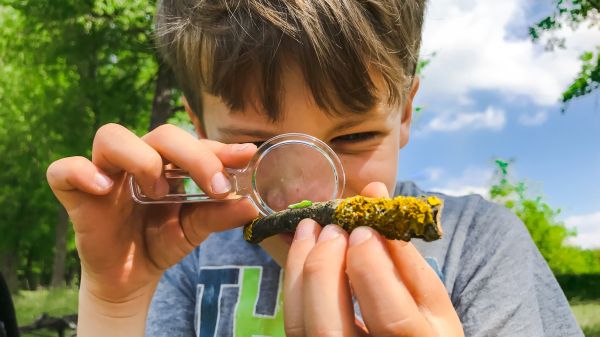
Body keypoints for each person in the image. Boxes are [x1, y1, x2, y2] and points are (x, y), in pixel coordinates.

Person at [46, 0, 583, 336]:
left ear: (405, 114)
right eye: (257, 144)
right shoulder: (180, 260)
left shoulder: (481, 246)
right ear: (201, 129)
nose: (306, 190)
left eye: (353, 136)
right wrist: (114, 300)